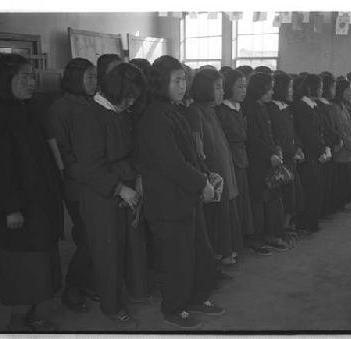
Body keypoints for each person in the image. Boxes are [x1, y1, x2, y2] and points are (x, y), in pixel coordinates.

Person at [0, 54, 63, 331]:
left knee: (42, 265)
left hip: (38, 204)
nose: (31, 82)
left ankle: (33, 316)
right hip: (18, 209)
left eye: (32, 76)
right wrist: (11, 207)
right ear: (6, 81)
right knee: (25, 270)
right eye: (23, 77)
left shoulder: (28, 108)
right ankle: (17, 323)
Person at [137, 55, 222, 329]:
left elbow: (190, 153)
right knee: (176, 258)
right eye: (176, 80)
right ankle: (173, 306)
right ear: (161, 83)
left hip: (184, 197)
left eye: (184, 79)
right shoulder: (154, 117)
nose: (183, 85)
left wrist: (206, 173)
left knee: (197, 250)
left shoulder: (173, 110)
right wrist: (201, 183)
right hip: (167, 201)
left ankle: (196, 296)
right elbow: (171, 162)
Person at [71, 62, 148, 327]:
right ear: (116, 91)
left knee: (130, 246)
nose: (131, 102)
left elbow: (133, 150)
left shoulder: (121, 112)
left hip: (126, 187)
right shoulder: (89, 115)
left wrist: (137, 179)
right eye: (128, 96)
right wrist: (119, 188)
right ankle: (111, 306)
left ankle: (133, 291)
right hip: (100, 195)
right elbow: (88, 166)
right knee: (108, 252)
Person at [45, 58, 98, 313]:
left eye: (95, 77)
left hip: (96, 180)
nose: (94, 82)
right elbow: (62, 153)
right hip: (77, 184)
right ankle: (73, 287)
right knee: (88, 237)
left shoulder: (91, 104)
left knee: (92, 235)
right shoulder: (60, 109)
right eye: (89, 77)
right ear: (75, 79)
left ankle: (86, 281)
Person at [185, 69, 243, 266]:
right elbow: (198, 146)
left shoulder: (211, 110)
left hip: (224, 168)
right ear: (204, 89)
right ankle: (218, 255)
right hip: (213, 172)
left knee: (225, 212)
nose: (222, 92)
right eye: (217, 87)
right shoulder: (195, 111)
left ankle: (226, 251)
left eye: (222, 87)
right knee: (216, 216)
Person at [215, 69, 271, 255]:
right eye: (239, 86)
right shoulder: (222, 110)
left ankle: (242, 240)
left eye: (245, 86)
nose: (243, 90)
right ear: (229, 88)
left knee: (244, 203)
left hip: (243, 160)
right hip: (230, 161)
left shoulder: (241, 108)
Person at [243, 72, 288, 250]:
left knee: (270, 199)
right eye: (268, 88)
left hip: (270, 159)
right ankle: (256, 238)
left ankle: (271, 234)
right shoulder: (250, 108)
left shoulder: (263, 107)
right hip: (257, 162)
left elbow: (269, 135)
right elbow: (253, 139)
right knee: (258, 201)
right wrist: (270, 155)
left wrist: (276, 149)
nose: (272, 92)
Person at [267, 71, 304, 243]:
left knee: (294, 195)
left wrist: (298, 148)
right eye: (289, 87)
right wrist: (289, 151)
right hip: (282, 158)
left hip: (291, 157)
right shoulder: (272, 109)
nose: (292, 90)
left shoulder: (285, 107)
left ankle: (287, 225)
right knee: (283, 196)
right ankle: (280, 229)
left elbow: (293, 131)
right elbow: (277, 135)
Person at [291, 74, 328, 233]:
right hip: (308, 154)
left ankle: (312, 221)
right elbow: (307, 133)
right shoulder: (302, 106)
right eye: (319, 87)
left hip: (316, 153)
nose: (321, 90)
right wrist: (320, 149)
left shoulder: (312, 105)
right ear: (310, 88)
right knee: (309, 189)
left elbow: (319, 130)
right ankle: (305, 223)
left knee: (316, 189)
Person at [330, 79, 351, 210]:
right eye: (348, 90)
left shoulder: (344, 107)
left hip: (350, 148)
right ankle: (339, 203)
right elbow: (340, 130)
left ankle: (344, 202)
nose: (350, 93)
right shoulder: (334, 108)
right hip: (342, 151)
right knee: (342, 179)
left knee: (347, 178)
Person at [316, 75, 342, 217]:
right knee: (325, 181)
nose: (335, 91)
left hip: (332, 145)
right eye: (333, 87)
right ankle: (324, 210)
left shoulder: (328, 104)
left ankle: (329, 208)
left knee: (331, 180)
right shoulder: (321, 106)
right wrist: (332, 142)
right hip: (326, 146)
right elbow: (326, 128)